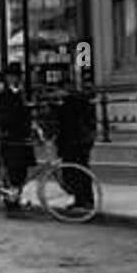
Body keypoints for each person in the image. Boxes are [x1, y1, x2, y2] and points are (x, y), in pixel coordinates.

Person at [0, 63, 35, 212]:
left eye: (16, 76)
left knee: (22, 170)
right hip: (11, 136)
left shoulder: (23, 93)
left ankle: (16, 196)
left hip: (23, 136)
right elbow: (4, 115)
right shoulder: (4, 95)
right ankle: (11, 201)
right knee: (13, 169)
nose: (14, 79)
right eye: (11, 76)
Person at [51, 82, 97, 212]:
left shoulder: (67, 105)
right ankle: (85, 200)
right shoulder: (81, 102)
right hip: (82, 141)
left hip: (72, 143)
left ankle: (82, 200)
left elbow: (63, 127)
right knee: (81, 171)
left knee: (73, 173)